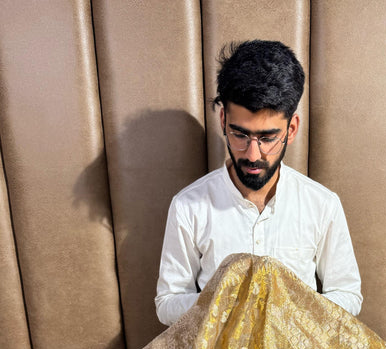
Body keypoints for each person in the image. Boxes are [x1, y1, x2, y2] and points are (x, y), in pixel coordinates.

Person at [155, 39, 363, 327]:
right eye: (240, 135)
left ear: (291, 129)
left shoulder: (322, 204)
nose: (253, 155)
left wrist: (292, 305)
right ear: (223, 120)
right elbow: (167, 304)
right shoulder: (187, 206)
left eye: (267, 138)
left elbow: (348, 295)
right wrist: (222, 300)